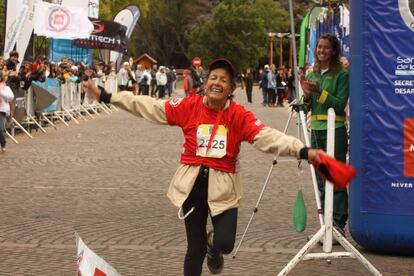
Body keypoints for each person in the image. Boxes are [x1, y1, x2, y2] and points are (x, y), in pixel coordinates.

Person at [83, 58, 324, 276]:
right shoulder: (189, 106)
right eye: (213, 78)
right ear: (206, 82)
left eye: (224, 80)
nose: (217, 83)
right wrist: (107, 96)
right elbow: (149, 106)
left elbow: (267, 136)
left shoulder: (239, 116)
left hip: (224, 187)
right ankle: (203, 248)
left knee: (225, 243)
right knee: (194, 248)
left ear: (231, 89)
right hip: (192, 185)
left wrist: (301, 150)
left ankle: (214, 246)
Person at [301, 34, 349, 237]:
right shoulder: (313, 73)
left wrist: (320, 91)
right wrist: (305, 94)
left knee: (335, 178)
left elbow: (339, 105)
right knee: (320, 180)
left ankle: (338, 226)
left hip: (334, 130)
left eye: (326, 48)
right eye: (319, 47)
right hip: (316, 131)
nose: (321, 50)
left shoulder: (342, 74)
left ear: (334, 51)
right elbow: (307, 106)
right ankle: (326, 225)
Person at [0, 71, 15, 152]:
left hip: (1, 110)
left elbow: (11, 97)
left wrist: (1, 92)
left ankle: (3, 143)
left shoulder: (6, 88)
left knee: (0, 129)